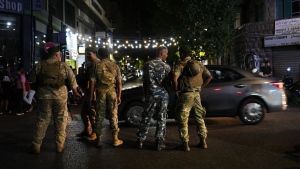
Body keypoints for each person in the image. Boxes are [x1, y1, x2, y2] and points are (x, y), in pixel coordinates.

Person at [27, 46, 81, 154]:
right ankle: (59, 146)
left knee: (42, 120)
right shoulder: (64, 66)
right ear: (57, 55)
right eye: (60, 54)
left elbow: (30, 80)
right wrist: (76, 92)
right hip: (60, 97)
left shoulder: (40, 65)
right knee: (60, 120)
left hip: (44, 96)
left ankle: (36, 145)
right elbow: (72, 82)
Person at [173, 45, 212, 152]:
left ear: (181, 54)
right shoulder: (199, 64)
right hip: (197, 95)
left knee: (183, 119)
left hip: (186, 95)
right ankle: (203, 142)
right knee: (199, 118)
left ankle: (185, 144)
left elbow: (175, 78)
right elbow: (209, 76)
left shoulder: (181, 65)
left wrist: (176, 90)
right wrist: (201, 88)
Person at [136, 46, 171, 151]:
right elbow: (168, 83)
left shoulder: (147, 65)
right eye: (166, 54)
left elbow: (144, 83)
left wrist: (146, 95)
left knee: (146, 117)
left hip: (151, 94)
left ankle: (140, 140)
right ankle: (159, 143)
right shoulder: (166, 67)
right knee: (162, 118)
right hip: (163, 95)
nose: (167, 56)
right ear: (161, 54)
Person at [89, 47, 123, 148]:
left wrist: (91, 97)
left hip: (100, 92)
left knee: (99, 115)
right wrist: (119, 95)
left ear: (99, 55)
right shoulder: (115, 65)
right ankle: (115, 139)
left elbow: (92, 82)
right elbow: (119, 83)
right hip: (112, 91)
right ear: (108, 55)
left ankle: (99, 139)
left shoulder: (96, 65)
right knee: (113, 114)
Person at [76, 47, 100, 141]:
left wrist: (91, 94)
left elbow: (93, 80)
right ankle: (87, 130)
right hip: (87, 90)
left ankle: (95, 132)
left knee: (92, 112)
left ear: (95, 54)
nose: (87, 56)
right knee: (84, 113)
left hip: (93, 91)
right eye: (87, 54)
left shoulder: (98, 64)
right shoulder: (90, 65)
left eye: (89, 54)